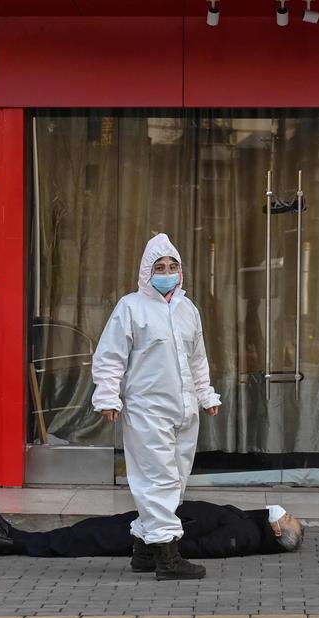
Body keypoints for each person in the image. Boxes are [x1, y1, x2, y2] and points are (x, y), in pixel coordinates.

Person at [91, 233, 221, 581]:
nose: (167, 272)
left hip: (184, 410)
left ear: (181, 271)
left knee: (175, 480)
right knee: (158, 480)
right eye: (159, 267)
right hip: (147, 409)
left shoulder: (187, 309)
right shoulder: (131, 308)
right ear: (146, 273)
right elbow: (111, 357)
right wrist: (107, 396)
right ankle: (167, 555)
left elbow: (197, 359)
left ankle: (143, 548)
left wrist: (206, 395)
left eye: (172, 266)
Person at [0, 503, 305, 560]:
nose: (284, 512)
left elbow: (206, 546)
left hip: (155, 531)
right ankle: (14, 539)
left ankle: (15, 543)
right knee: (90, 529)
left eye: (287, 517)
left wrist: (161, 546)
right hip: (157, 517)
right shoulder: (252, 524)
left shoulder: (247, 536)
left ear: (278, 533)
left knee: (84, 539)